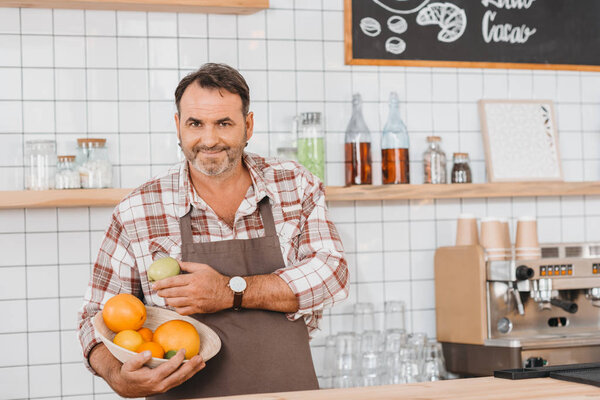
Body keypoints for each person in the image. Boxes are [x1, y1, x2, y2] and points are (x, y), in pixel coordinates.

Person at [77, 63, 349, 399]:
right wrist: (117, 376)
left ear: (248, 126)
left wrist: (230, 291)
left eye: (224, 123)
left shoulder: (293, 184)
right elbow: (95, 316)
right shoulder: (139, 209)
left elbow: (332, 272)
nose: (209, 139)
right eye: (195, 123)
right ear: (177, 126)